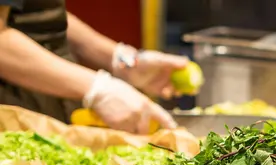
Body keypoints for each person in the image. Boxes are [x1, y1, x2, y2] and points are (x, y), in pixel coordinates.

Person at [0, 0, 188, 134]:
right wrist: (97, 88)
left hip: (51, 107)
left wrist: (120, 59)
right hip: (13, 116)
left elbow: (37, 11)